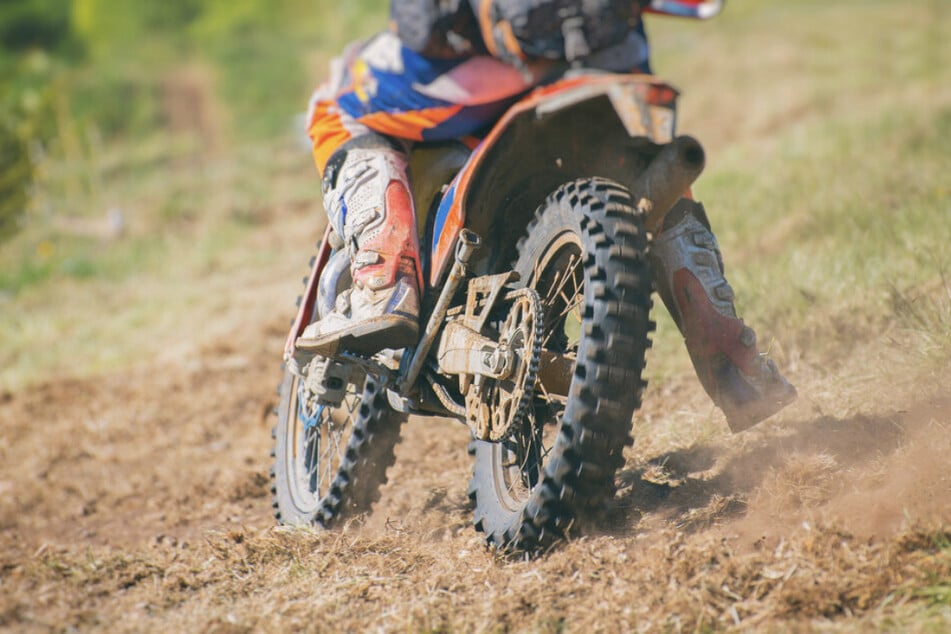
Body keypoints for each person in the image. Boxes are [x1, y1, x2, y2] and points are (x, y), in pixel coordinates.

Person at [296, 0, 796, 431]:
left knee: (338, 104)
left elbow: (424, 25)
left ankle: (384, 275)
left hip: (506, 62)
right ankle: (733, 357)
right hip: (612, 59)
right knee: (644, 161)